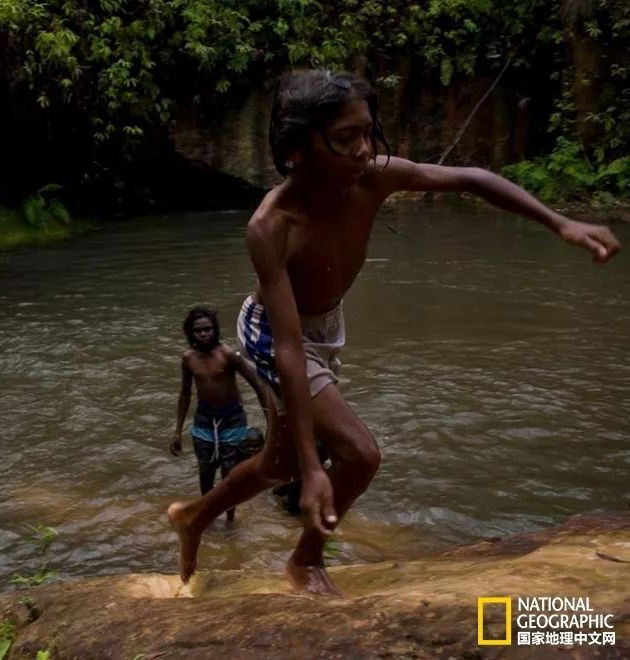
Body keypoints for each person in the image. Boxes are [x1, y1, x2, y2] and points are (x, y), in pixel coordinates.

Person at [167, 69, 621, 596]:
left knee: (280, 461)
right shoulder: (272, 227)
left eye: (367, 132)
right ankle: (304, 561)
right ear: (296, 149)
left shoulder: (374, 177)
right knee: (359, 454)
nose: (363, 150)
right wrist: (318, 470)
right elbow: (289, 349)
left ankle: (194, 516)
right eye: (344, 139)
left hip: (327, 322)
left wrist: (560, 223)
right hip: (274, 333)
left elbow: (472, 177)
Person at [171, 306, 273, 523]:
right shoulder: (188, 359)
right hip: (205, 420)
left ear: (214, 330)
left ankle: (230, 518)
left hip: (232, 419)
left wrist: (270, 421)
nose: (204, 334)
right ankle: (206, 517)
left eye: (208, 329)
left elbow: (257, 384)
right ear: (191, 333)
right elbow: (185, 393)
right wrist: (177, 431)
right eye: (198, 330)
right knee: (206, 470)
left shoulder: (228, 355)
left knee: (229, 474)